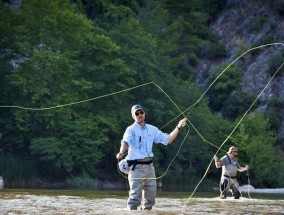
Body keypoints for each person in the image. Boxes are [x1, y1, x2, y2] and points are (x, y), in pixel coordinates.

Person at [116, 104, 187, 210]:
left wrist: (178, 126)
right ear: (133, 116)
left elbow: (168, 140)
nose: (140, 115)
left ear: (144, 113)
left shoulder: (152, 129)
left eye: (141, 112)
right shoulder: (130, 129)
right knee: (134, 199)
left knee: (150, 200)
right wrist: (121, 152)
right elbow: (125, 142)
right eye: (137, 113)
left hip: (150, 167)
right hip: (136, 167)